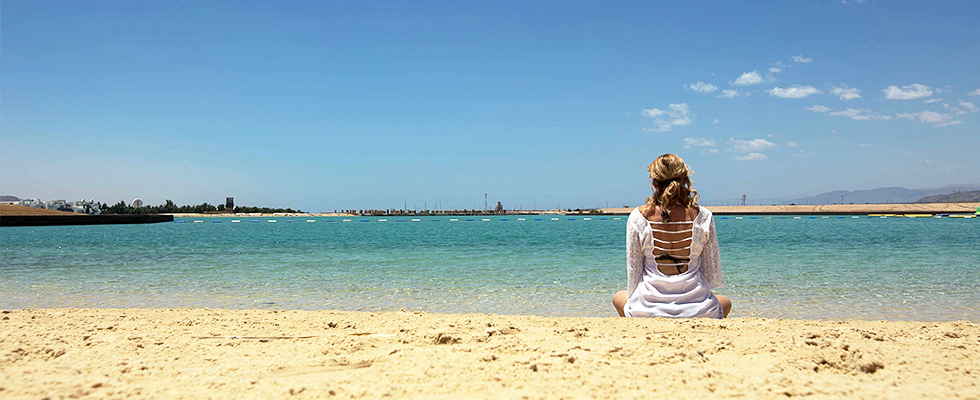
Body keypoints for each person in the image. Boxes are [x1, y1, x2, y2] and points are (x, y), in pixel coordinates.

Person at [612, 154, 731, 318]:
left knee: (618, 296)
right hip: (697, 310)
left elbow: (634, 274)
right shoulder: (703, 216)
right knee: (725, 301)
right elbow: (712, 275)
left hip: (648, 309)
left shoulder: (638, 216)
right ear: (685, 179)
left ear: (654, 182)